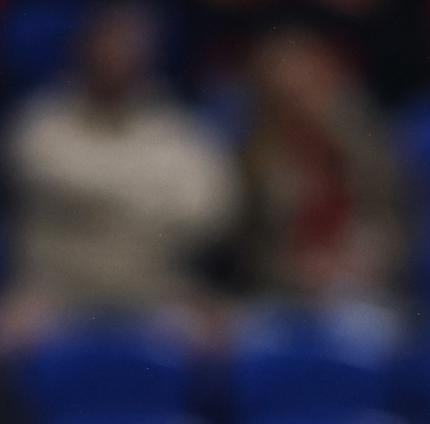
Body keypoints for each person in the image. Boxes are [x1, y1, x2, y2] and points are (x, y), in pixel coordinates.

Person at [3, 3, 237, 347]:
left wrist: (102, 193)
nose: (116, 57)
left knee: (227, 342)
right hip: (58, 293)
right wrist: (155, 192)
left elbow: (210, 208)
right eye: (107, 45)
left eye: (129, 46)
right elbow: (49, 173)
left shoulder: (175, 126)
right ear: (83, 50)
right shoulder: (42, 120)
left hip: (156, 292)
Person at [235, 26, 409, 311]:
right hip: (282, 296)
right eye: (288, 97)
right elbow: (250, 252)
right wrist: (298, 272)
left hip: (363, 288)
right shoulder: (254, 160)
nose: (302, 105)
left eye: (308, 89)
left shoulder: (369, 148)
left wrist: (363, 260)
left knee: (361, 333)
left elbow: (399, 226)